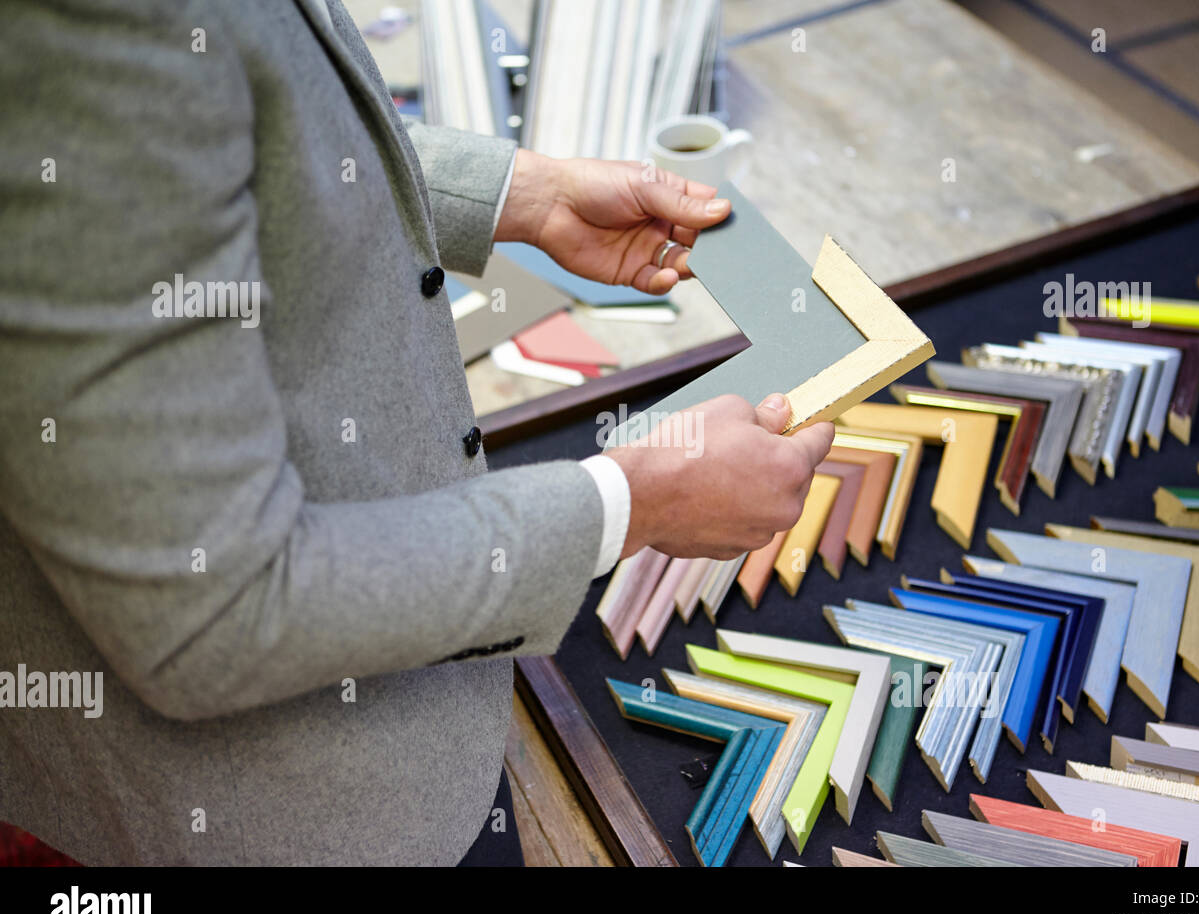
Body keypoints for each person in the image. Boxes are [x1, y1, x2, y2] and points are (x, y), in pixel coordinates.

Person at [0, 0, 833, 865]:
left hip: (416, 724)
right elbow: (212, 609)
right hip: (285, 813)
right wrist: (627, 504)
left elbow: (250, 109)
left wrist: (519, 194)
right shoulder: (85, 27)